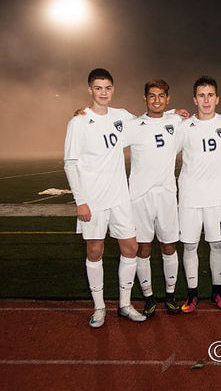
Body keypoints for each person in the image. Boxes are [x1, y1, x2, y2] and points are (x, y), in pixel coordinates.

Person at [63, 68, 146, 327]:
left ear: (113, 89)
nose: (103, 93)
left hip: (120, 197)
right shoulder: (78, 122)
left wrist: (174, 114)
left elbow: (148, 121)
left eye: (107, 88)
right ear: (90, 90)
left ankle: (124, 304)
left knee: (130, 247)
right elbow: (70, 163)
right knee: (95, 251)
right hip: (93, 200)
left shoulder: (121, 116)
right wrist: (81, 201)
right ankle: (99, 307)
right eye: (98, 88)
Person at [122, 79, 183, 317]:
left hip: (167, 195)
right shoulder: (133, 125)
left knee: (169, 246)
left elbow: (202, 120)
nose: (156, 100)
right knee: (143, 248)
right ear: (144, 99)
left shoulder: (176, 121)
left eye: (161, 96)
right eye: (152, 96)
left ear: (167, 99)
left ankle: (170, 295)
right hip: (139, 197)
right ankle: (148, 297)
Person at [178, 76, 221, 312]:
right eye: (201, 95)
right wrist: (173, 111)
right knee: (190, 247)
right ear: (194, 99)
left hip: (218, 198)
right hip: (190, 199)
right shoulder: (183, 126)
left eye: (210, 95)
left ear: (217, 98)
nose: (206, 100)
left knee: (217, 246)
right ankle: (192, 295)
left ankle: (217, 293)